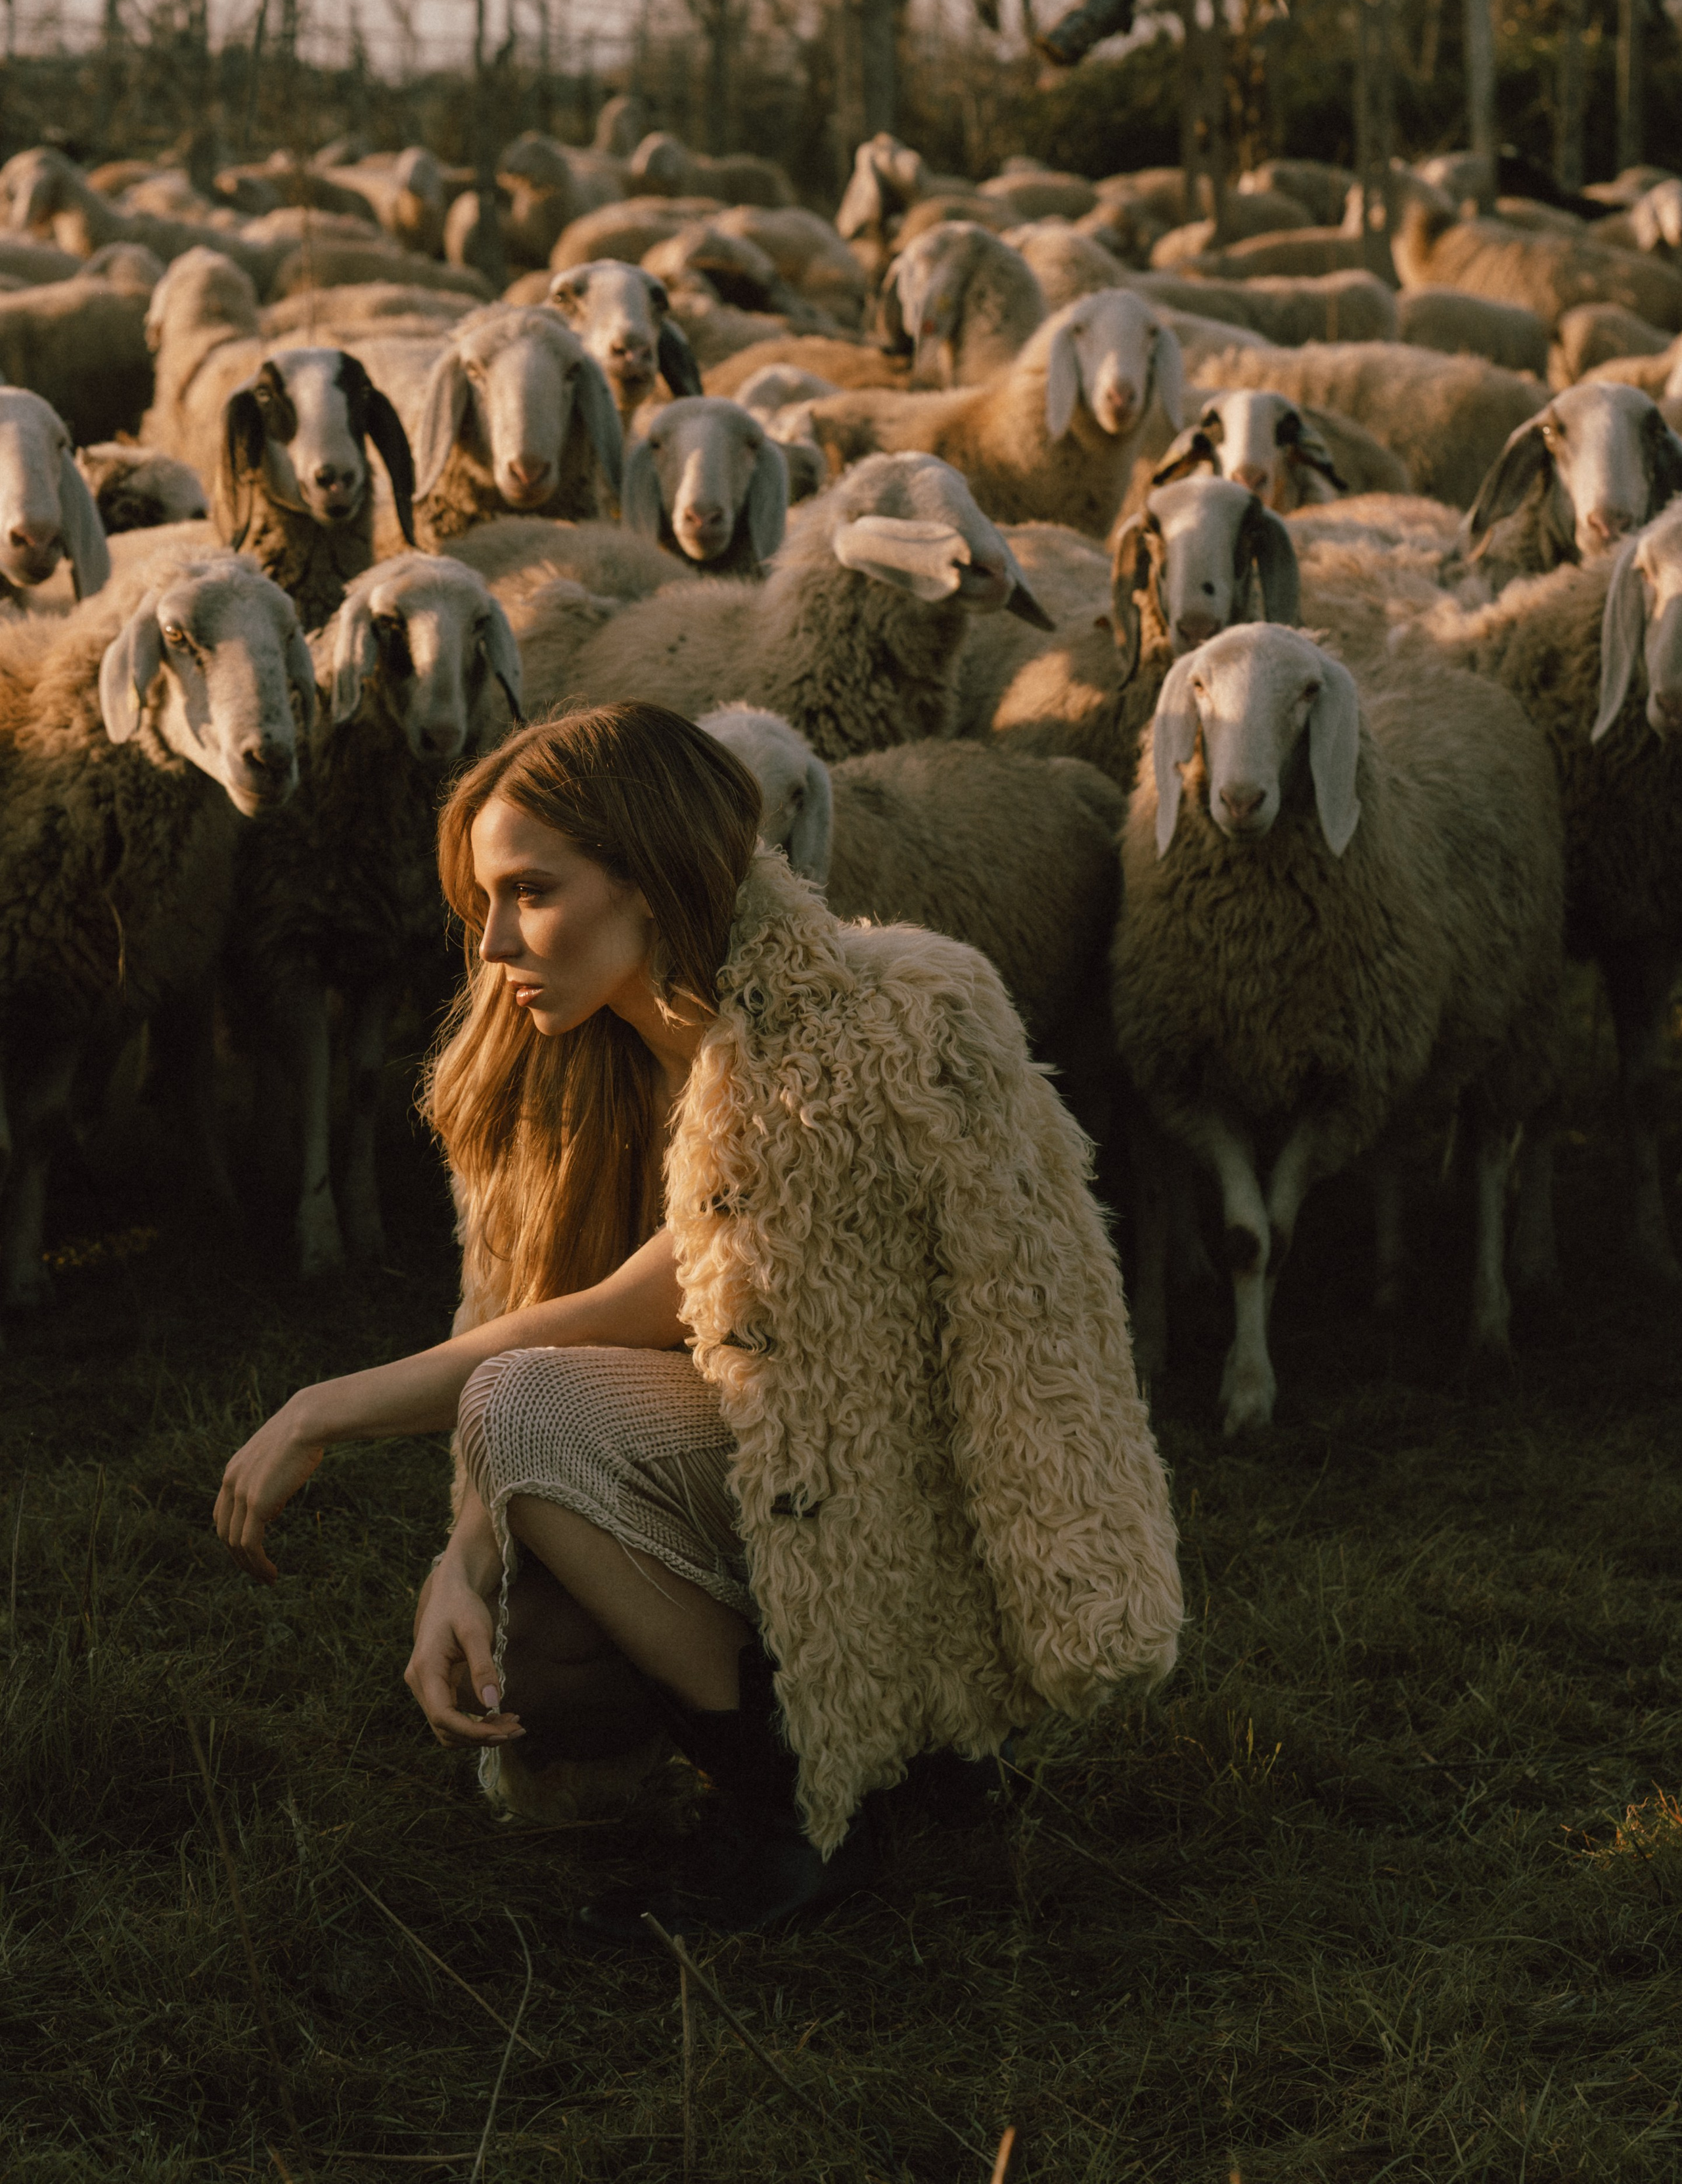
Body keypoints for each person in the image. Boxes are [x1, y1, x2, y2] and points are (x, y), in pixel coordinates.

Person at [214, 702, 1181, 1944]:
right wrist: (460, 1567)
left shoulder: (861, 1030)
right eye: (481, 905)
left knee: (522, 1398)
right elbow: (521, 1317)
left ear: (653, 875)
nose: (497, 940)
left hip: (892, 1499)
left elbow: (662, 1294)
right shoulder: (561, 1071)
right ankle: (856, 1760)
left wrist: (324, 1408)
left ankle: (804, 1800)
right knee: (541, 1650)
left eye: (530, 892)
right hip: (734, 1465)